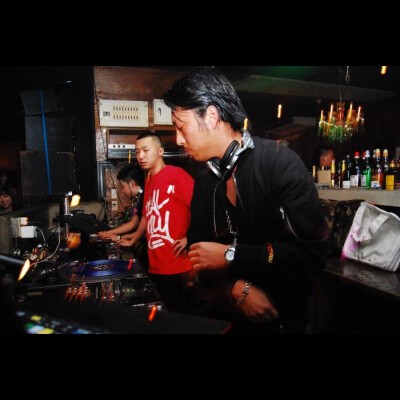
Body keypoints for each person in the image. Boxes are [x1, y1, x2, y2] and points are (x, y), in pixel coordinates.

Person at [163, 66, 329, 333]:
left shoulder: (279, 164)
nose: (178, 139)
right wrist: (234, 288)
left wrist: (232, 255)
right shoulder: (205, 181)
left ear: (212, 116)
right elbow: (199, 257)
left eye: (182, 128)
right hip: (228, 321)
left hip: (283, 321)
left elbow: (310, 254)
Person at [118, 132, 195, 313]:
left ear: (160, 151)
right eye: (137, 152)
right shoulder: (149, 180)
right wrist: (134, 238)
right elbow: (146, 215)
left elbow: (201, 208)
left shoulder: (176, 174)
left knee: (181, 318)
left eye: (146, 150)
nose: (141, 156)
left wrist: (190, 237)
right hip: (156, 264)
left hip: (178, 265)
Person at [97, 164, 147, 267]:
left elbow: (134, 224)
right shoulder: (141, 196)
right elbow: (135, 224)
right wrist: (112, 234)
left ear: (132, 184)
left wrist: (112, 234)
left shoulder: (145, 196)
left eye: (123, 186)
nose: (123, 191)